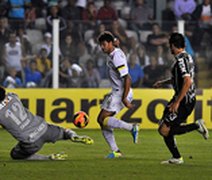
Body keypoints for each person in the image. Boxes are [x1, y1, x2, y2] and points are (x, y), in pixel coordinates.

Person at [153, 32, 209, 164]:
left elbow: (187, 81)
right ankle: (176, 157)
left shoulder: (181, 60)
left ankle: (196, 126)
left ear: (173, 45)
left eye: (170, 46)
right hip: (182, 98)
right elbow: (178, 79)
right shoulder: (187, 57)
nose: (169, 48)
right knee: (163, 126)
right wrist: (163, 83)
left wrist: (177, 102)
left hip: (184, 100)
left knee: (164, 129)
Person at [0, 86, 94, 160]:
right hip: (44, 127)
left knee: (15, 155)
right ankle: (72, 135)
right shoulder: (13, 96)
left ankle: (48, 158)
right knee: (64, 132)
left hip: (31, 141)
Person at [97, 31, 139, 159]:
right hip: (116, 92)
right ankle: (116, 151)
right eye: (101, 45)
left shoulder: (116, 57)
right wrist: (115, 41)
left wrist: (124, 98)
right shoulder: (113, 51)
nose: (102, 47)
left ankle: (131, 128)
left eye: (104, 44)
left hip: (121, 92)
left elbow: (127, 78)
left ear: (110, 44)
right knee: (101, 120)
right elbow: (115, 42)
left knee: (103, 119)